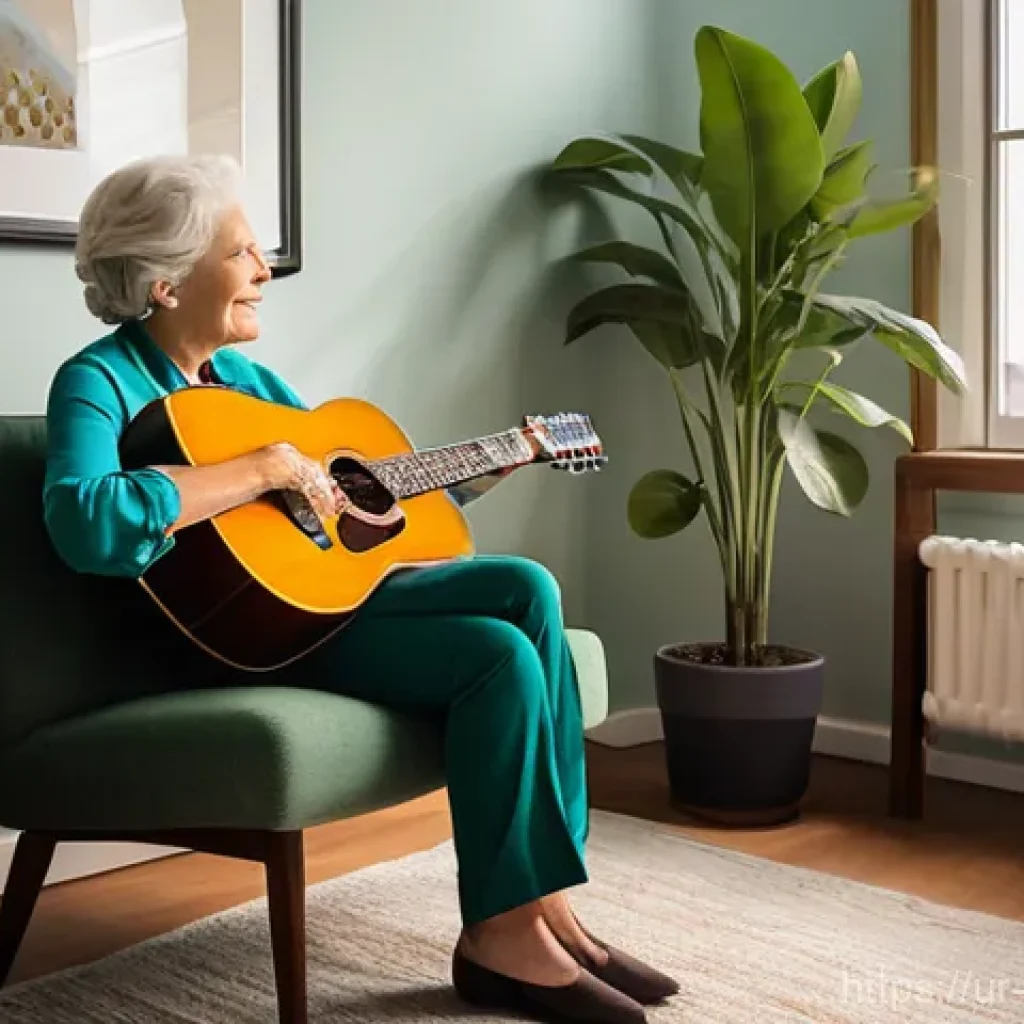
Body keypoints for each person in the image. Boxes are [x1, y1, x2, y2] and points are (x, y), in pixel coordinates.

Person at [42, 154, 679, 1024]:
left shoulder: (250, 388)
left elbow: (343, 515)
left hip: (312, 616)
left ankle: (535, 912)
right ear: (164, 281)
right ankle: (513, 928)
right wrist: (256, 468)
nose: (266, 271)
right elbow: (85, 520)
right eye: (244, 253)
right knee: (506, 629)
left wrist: (481, 470)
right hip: (218, 645)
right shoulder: (97, 382)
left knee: (521, 604)